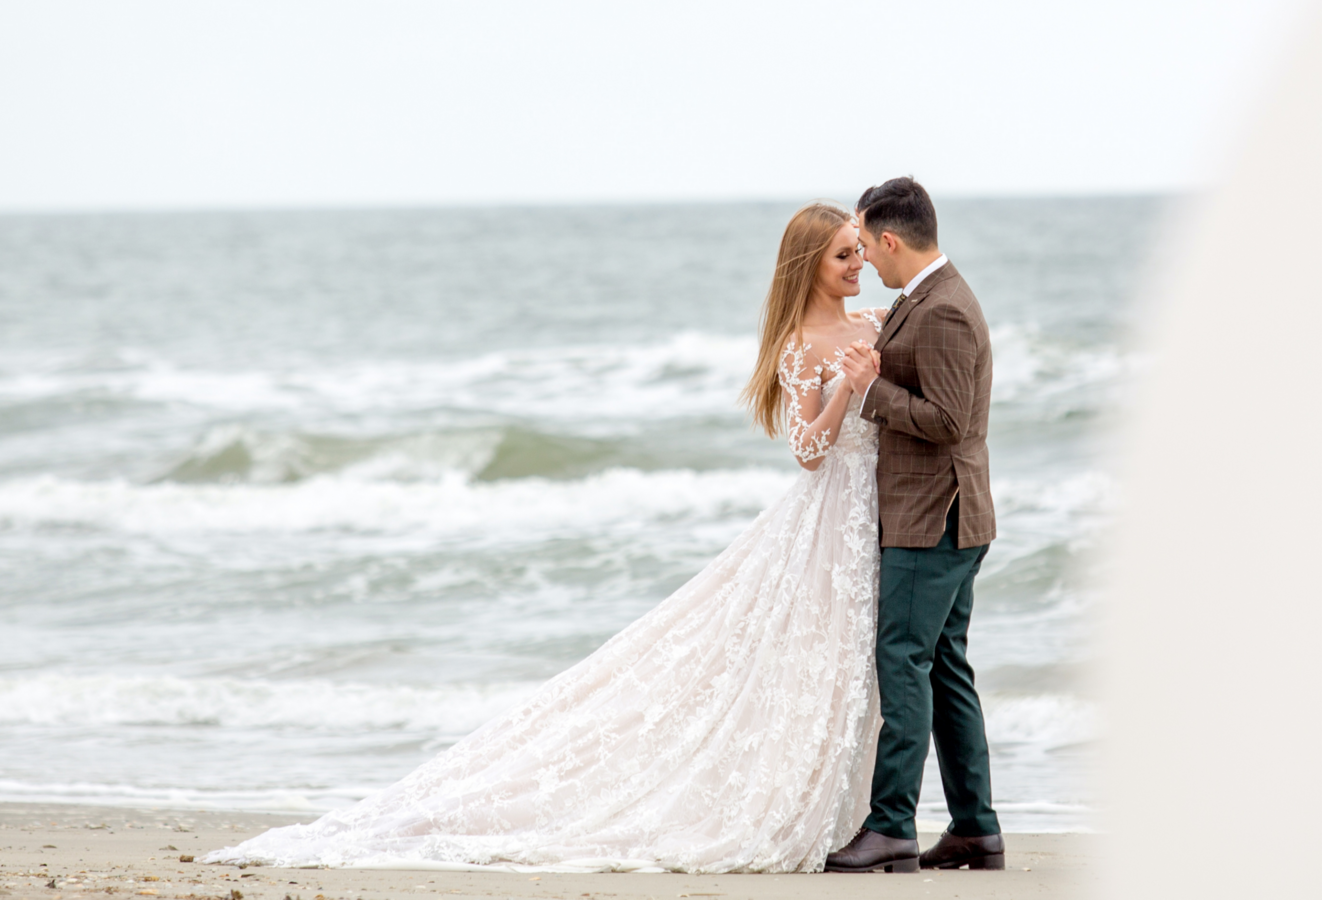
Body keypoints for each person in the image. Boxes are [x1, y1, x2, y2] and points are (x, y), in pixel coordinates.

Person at [201, 202, 890, 873]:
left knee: (849, 662)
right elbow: (806, 448)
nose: (858, 261)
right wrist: (844, 388)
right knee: (813, 656)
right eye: (843, 254)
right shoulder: (802, 345)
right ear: (809, 264)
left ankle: (852, 815)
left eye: (859, 248)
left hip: (877, 509)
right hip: (827, 514)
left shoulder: (875, 319)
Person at [824, 177, 1003, 873]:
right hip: (946, 515)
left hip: (934, 517)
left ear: (891, 239)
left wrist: (871, 391)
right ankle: (974, 829)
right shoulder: (922, 298)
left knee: (902, 661)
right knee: (946, 668)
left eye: (866, 244)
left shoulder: (945, 310)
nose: (864, 257)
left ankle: (892, 825)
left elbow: (949, 422)